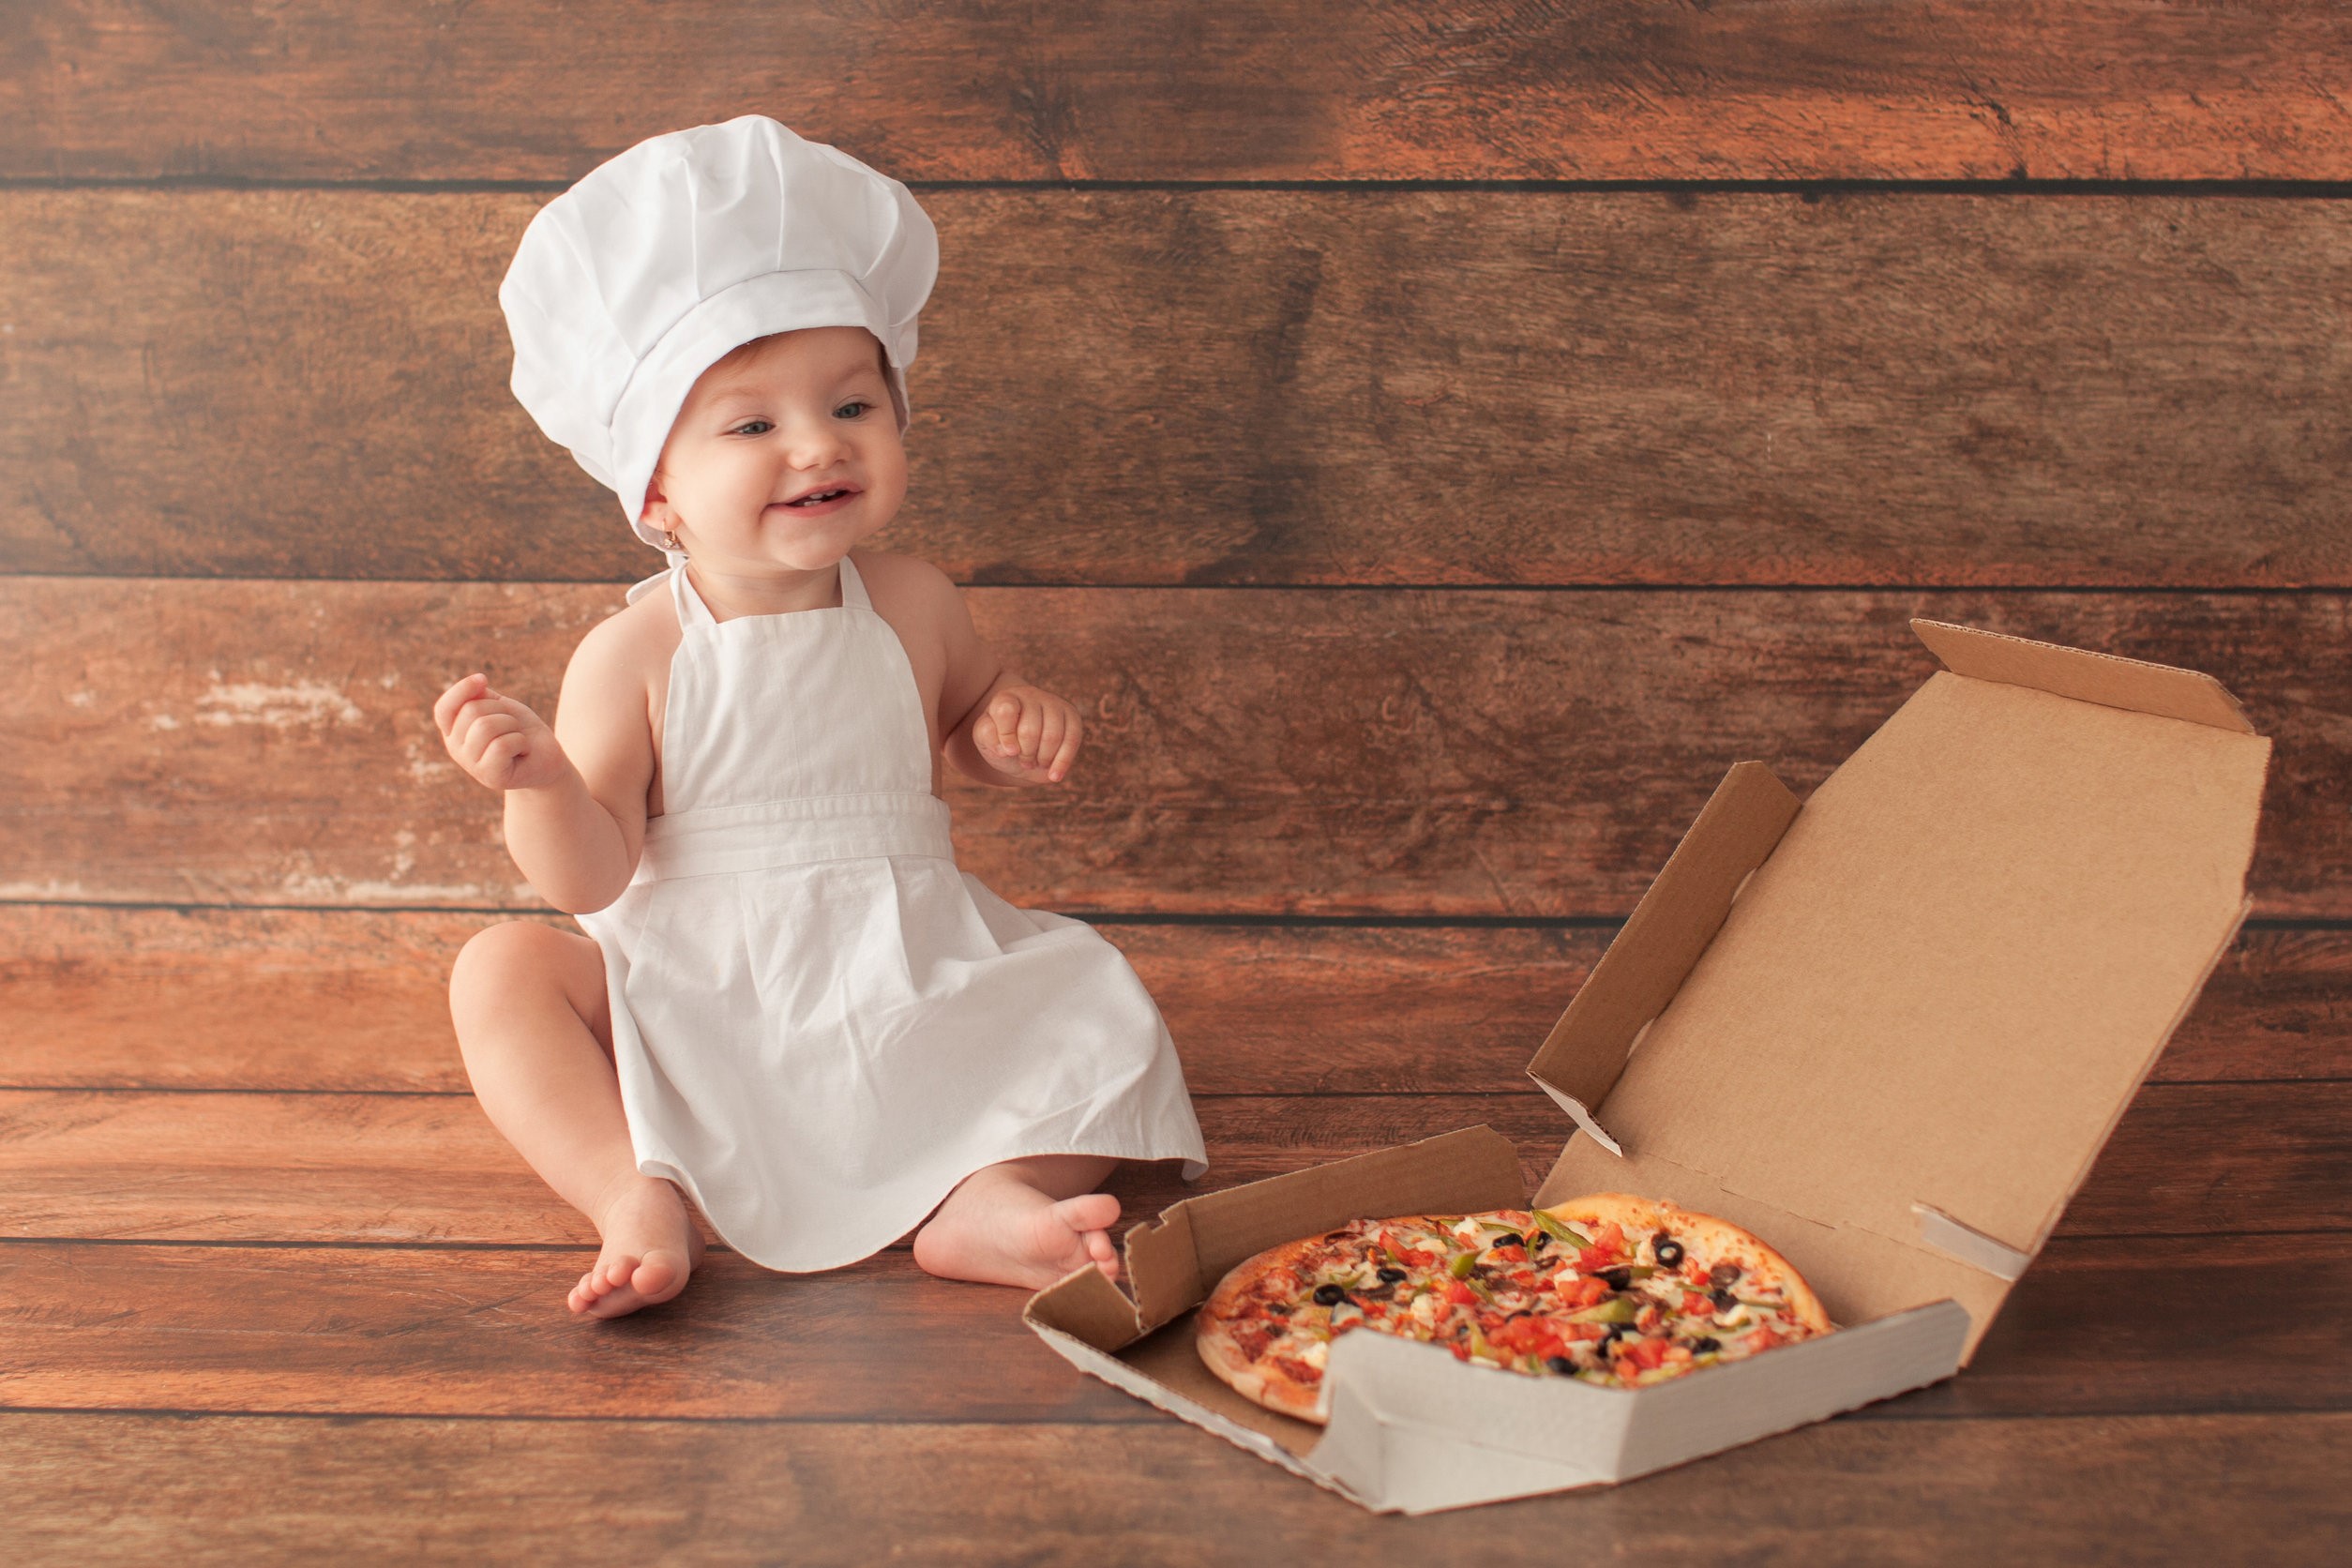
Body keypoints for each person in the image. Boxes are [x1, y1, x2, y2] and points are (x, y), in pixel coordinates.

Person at [433, 115, 1207, 1319]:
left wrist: (1003, 724)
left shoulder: (914, 602)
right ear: (656, 488)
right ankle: (631, 1190)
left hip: (898, 977)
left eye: (853, 405)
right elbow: (593, 875)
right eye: (752, 425)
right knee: (500, 973)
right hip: (700, 1006)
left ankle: (985, 1192)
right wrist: (539, 785)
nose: (815, 445)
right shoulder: (636, 651)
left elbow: (955, 731)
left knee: (1095, 1004)